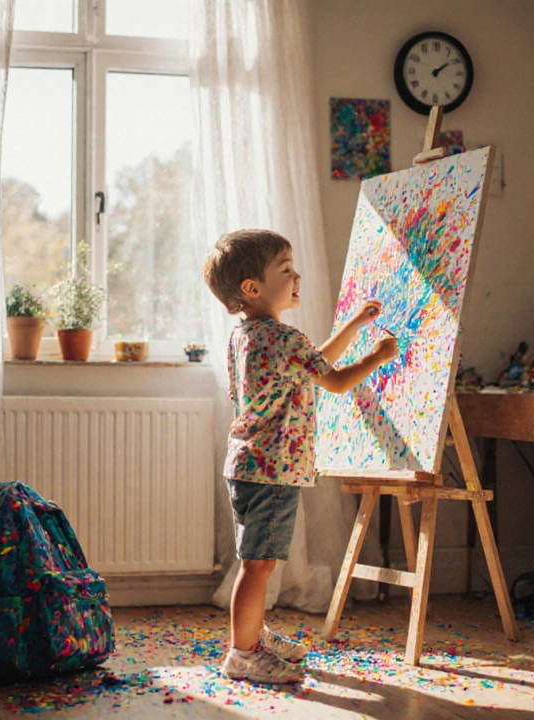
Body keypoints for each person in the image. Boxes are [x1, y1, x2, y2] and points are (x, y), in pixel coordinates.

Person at [203, 229, 398, 684]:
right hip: (271, 471)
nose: (297, 276)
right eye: (286, 269)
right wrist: (378, 356)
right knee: (259, 566)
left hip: (249, 466)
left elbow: (314, 366)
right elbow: (334, 380)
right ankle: (243, 653)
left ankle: (252, 635)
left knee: (257, 561)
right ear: (252, 288)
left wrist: (351, 326)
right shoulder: (282, 338)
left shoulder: (248, 335)